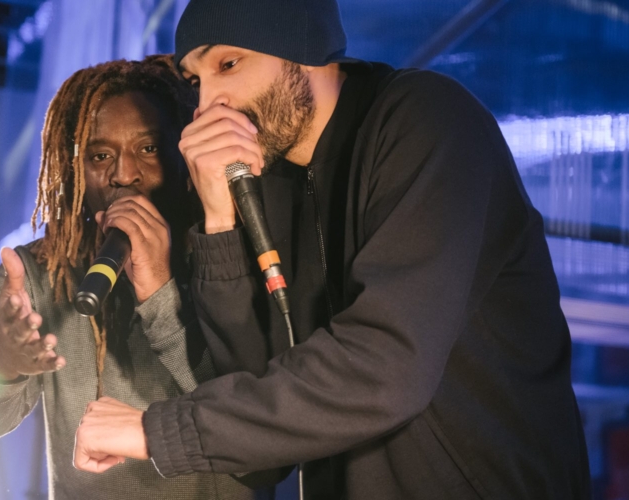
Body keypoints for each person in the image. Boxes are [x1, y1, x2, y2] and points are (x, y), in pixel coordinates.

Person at [72, 1, 592, 498]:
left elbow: (387, 368)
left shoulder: (428, 121)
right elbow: (261, 455)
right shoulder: (263, 185)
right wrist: (220, 221)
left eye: (228, 64)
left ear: (303, 47)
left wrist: (157, 431)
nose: (207, 105)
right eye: (195, 82)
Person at [0, 55, 260, 499]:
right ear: (76, 171)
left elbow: (252, 418)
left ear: (181, 155)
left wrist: (160, 291)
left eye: (148, 149)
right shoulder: (40, 273)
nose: (124, 174)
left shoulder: (228, 253)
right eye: (101, 155)